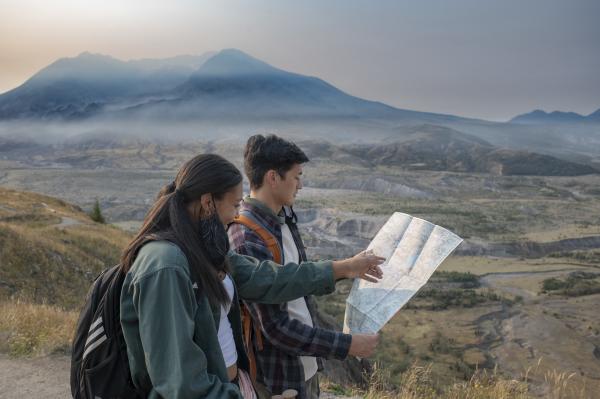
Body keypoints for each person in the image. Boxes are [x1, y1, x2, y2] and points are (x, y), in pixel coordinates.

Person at [119, 153, 384, 398]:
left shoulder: (199, 248)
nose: (236, 215)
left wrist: (344, 268)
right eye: (234, 205)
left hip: (230, 385)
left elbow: (267, 278)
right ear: (207, 202)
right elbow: (182, 383)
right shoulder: (166, 266)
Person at [228, 135, 380, 399]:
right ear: (273, 178)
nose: (300, 185)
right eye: (296, 176)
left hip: (304, 370)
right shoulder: (246, 237)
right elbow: (276, 328)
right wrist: (348, 345)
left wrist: (350, 269)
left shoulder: (283, 221)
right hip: (278, 379)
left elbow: (299, 282)